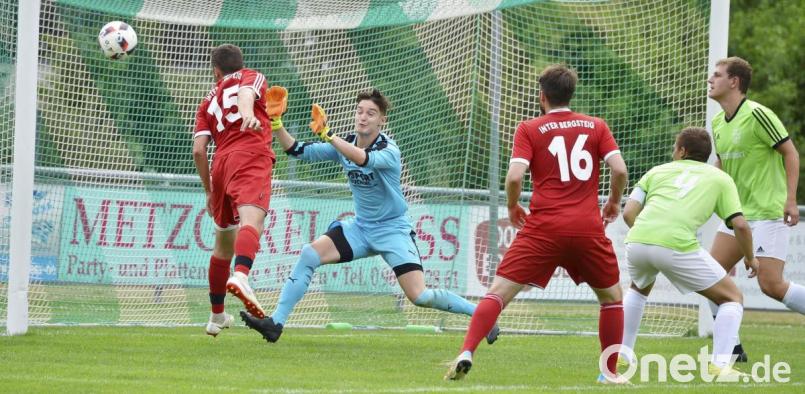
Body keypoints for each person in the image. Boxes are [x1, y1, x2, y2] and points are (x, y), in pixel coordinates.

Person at [239, 88, 499, 345]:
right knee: (309, 254)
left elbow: (363, 159)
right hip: (361, 228)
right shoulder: (344, 143)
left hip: (393, 231)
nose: (363, 117)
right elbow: (295, 150)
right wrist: (277, 123)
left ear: (382, 120)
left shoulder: (389, 150)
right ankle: (275, 324)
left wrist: (329, 136)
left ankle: (481, 316)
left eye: (371, 113)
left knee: (420, 296)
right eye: (360, 111)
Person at [443, 64, 629, 384]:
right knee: (611, 299)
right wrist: (613, 201)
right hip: (587, 227)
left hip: (544, 227)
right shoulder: (596, 126)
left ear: (542, 96)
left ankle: (467, 351)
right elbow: (620, 169)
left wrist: (513, 205)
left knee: (498, 293)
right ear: (571, 93)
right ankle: (608, 373)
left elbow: (515, 176)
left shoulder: (529, 128)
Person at [621, 127, 759, 379]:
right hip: (675, 245)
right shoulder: (720, 178)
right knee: (732, 298)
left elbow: (628, 212)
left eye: (675, 147)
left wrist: (649, 237)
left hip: (637, 240)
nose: (673, 152)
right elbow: (740, 225)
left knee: (638, 289)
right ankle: (720, 365)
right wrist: (751, 257)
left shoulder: (657, 171)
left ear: (683, 151)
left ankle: (622, 355)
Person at [707, 57, 803, 361]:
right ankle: (732, 348)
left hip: (767, 213)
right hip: (737, 215)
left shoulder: (759, 114)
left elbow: (790, 153)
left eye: (717, 75)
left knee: (771, 285)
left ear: (734, 82)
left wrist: (790, 199)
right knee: (708, 276)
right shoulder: (718, 122)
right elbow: (721, 164)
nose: (711, 79)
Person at [192, 44, 277, 336]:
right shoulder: (251, 75)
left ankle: (216, 317)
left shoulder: (206, 102)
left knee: (222, 246)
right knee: (252, 222)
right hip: (250, 151)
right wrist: (246, 114)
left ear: (216, 72)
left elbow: (199, 151)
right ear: (240, 66)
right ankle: (241, 277)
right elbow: (245, 94)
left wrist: (209, 190)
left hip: (220, 167)